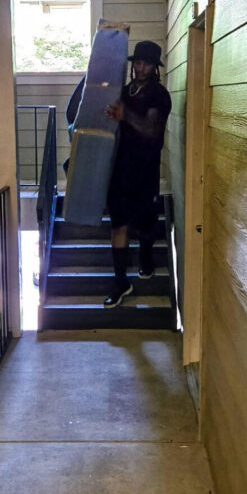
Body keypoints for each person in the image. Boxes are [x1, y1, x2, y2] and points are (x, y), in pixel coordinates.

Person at [103, 40, 171, 307]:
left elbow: (152, 131)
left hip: (145, 168)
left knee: (145, 224)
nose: (141, 67)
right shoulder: (124, 91)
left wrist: (125, 115)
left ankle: (145, 256)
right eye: (138, 62)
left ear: (155, 67)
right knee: (118, 223)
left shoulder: (159, 95)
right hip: (120, 167)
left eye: (146, 63)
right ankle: (121, 281)